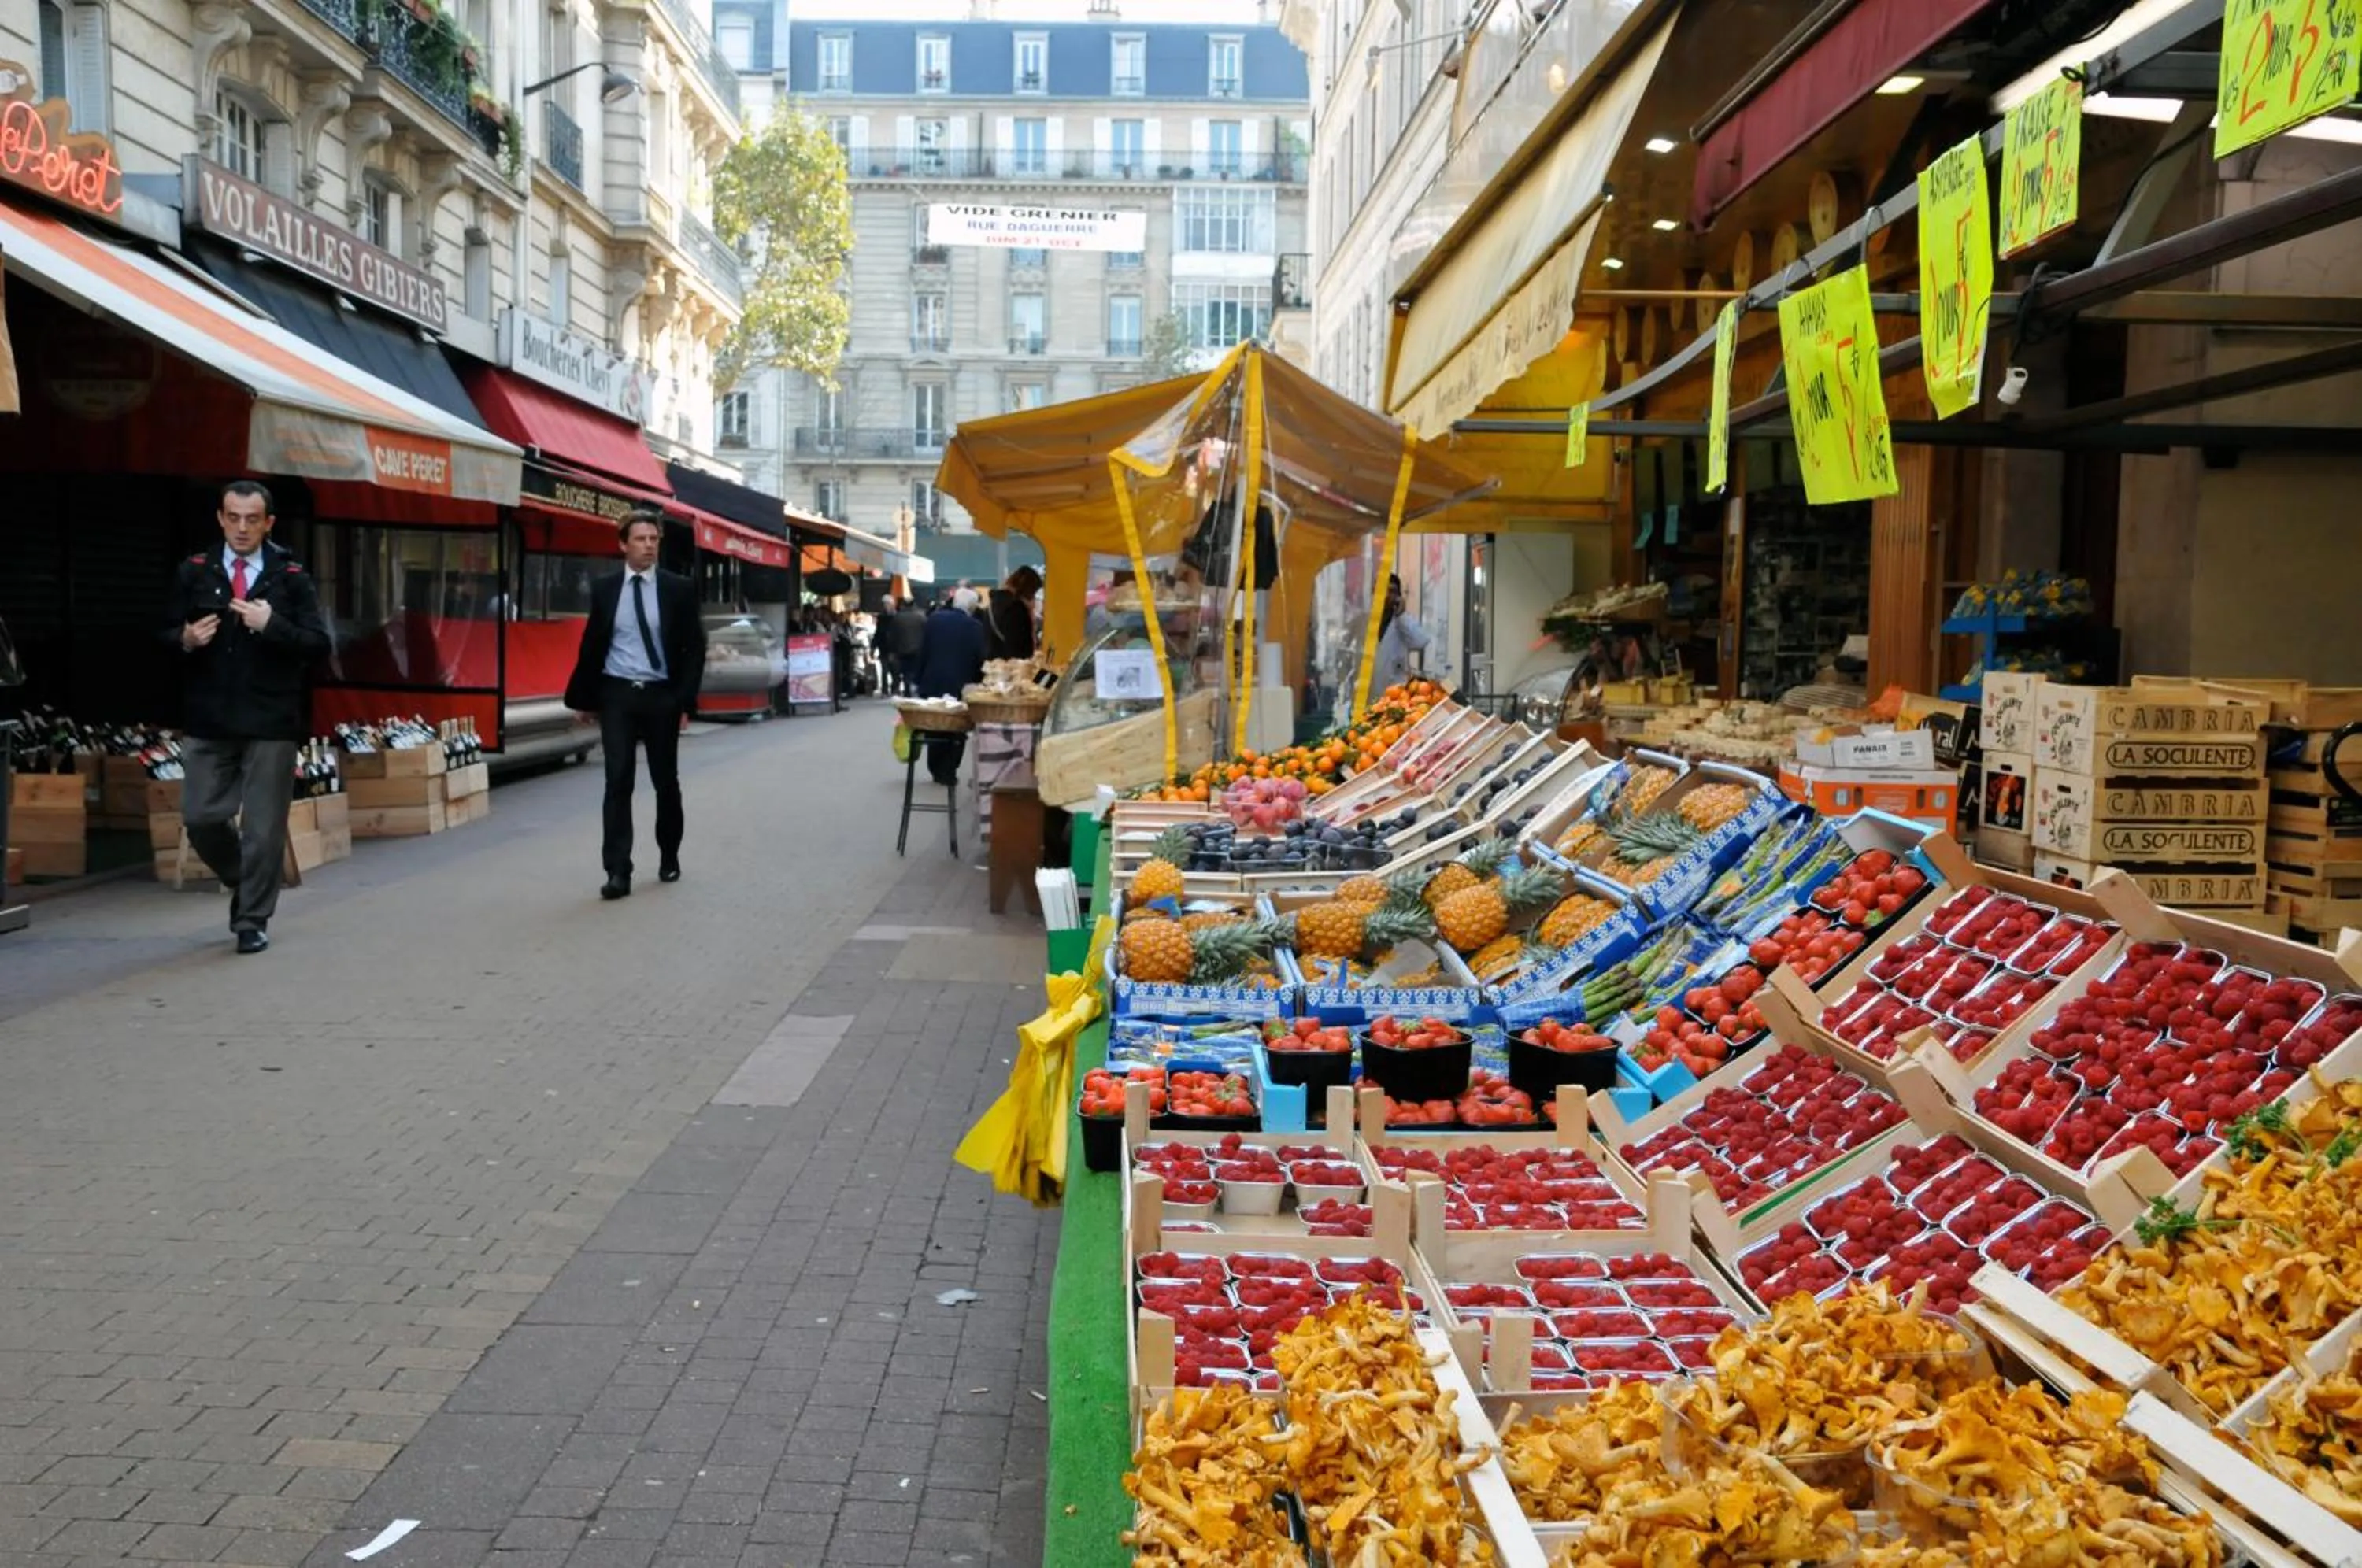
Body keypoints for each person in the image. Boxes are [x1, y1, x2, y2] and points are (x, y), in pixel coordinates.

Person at [163, 480, 331, 956]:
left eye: (251, 519)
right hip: (209, 718)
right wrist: (185, 638)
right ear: (220, 518)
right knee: (201, 817)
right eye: (232, 517)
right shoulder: (195, 571)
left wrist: (271, 625)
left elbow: (318, 644)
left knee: (263, 830)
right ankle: (245, 878)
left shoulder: (291, 575)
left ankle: (252, 920)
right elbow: (159, 634)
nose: (241, 527)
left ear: (268, 523)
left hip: (271, 719)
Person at [564, 509, 707, 901]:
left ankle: (669, 854)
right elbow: (593, 645)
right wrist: (584, 699)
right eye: (641, 539)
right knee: (618, 780)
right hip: (618, 693)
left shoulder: (678, 588)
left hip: (661, 694)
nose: (648, 546)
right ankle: (617, 871)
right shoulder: (606, 588)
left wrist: (683, 700)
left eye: (654, 540)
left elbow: (695, 647)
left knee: (666, 781)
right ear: (623, 545)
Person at [913, 587, 987, 785]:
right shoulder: (975, 626)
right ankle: (948, 769)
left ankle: (936, 768)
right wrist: (979, 682)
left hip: (932, 680)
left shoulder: (935, 620)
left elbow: (924, 650)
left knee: (935, 724)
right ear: (972, 607)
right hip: (959, 683)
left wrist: (918, 678)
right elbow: (980, 659)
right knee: (956, 727)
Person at [1372, 573, 1433, 693]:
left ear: (1398, 596)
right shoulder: (1365, 621)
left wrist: (1401, 615)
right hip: (1368, 694)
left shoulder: (1402, 622)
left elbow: (1421, 641)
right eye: (1383, 590)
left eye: (1392, 591)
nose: (1387, 595)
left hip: (1395, 694)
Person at [985, 565, 1042, 661]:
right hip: (1013, 668)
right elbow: (1023, 649)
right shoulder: (1016, 609)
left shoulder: (992, 604)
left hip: (994, 666)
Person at [884, 594, 927, 695]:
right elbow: (926, 633)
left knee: (905, 672)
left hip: (902, 650)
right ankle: (913, 688)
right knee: (914, 671)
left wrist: (892, 650)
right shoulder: (921, 617)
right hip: (917, 650)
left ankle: (907, 689)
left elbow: (892, 636)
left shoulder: (898, 618)